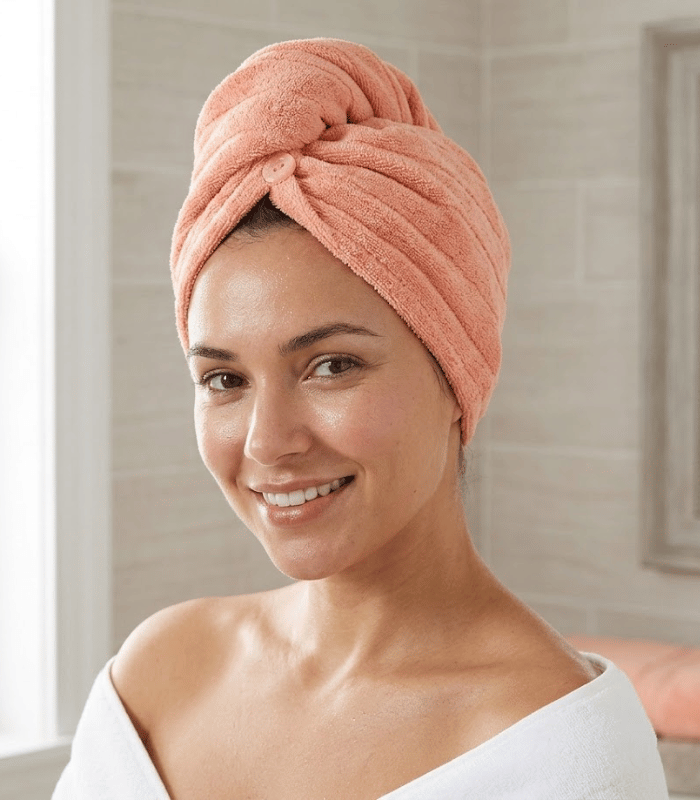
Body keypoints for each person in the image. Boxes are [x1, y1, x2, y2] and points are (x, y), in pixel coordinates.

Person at [53, 38, 669, 799]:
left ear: (457, 374)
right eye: (224, 379)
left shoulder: (559, 745)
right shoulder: (156, 675)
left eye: (332, 366)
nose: (267, 441)